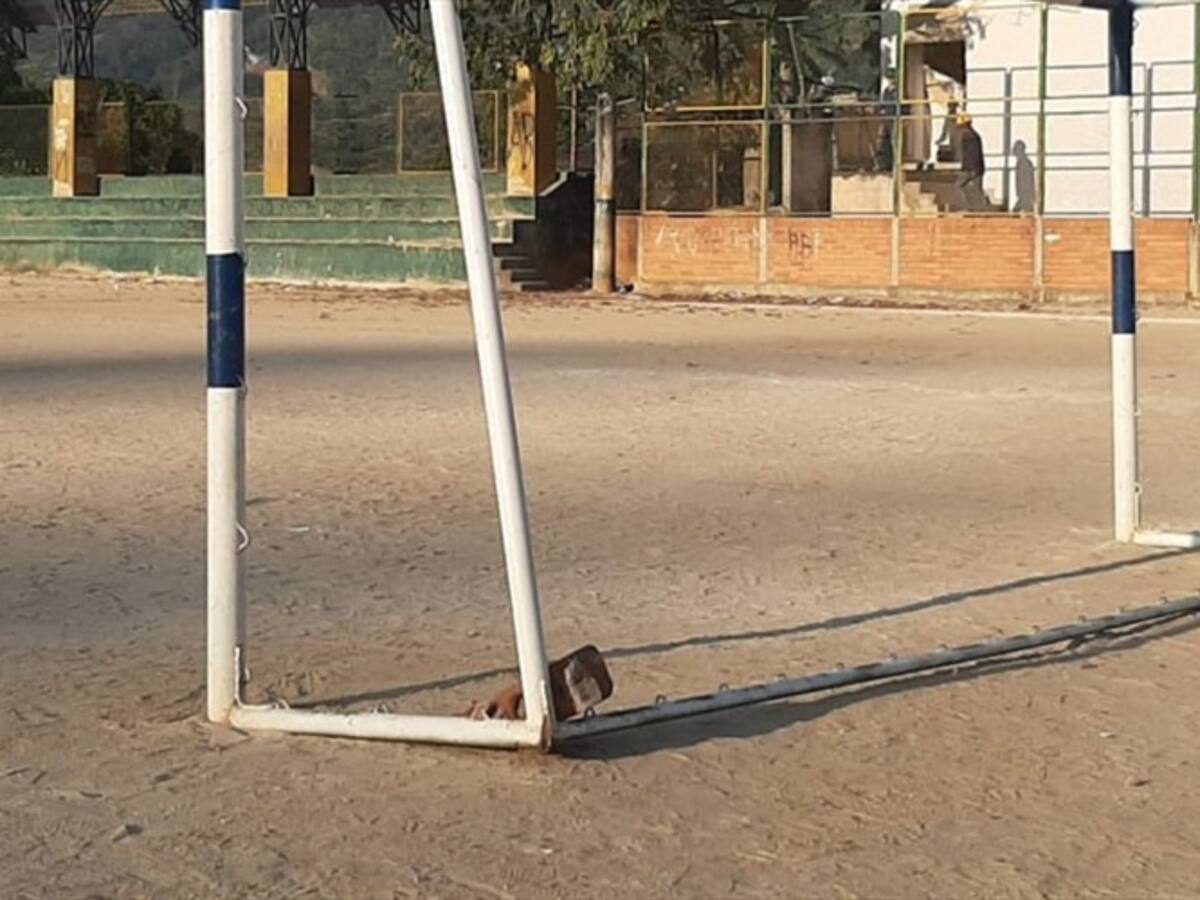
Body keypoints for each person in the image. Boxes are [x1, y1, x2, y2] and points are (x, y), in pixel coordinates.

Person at [955, 112, 986, 212]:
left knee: (959, 186)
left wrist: (970, 170)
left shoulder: (968, 136)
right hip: (976, 168)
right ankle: (978, 208)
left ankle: (969, 207)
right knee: (976, 190)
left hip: (971, 168)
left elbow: (971, 154)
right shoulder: (974, 135)